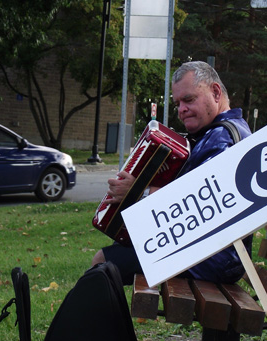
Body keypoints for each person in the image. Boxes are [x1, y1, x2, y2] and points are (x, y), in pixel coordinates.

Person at [91, 61, 253, 285]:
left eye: (188, 100)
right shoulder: (223, 132)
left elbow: (201, 204)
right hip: (209, 251)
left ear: (216, 92)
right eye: (178, 103)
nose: (181, 110)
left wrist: (138, 191)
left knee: (104, 263)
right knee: (115, 255)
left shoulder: (222, 139)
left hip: (212, 259)